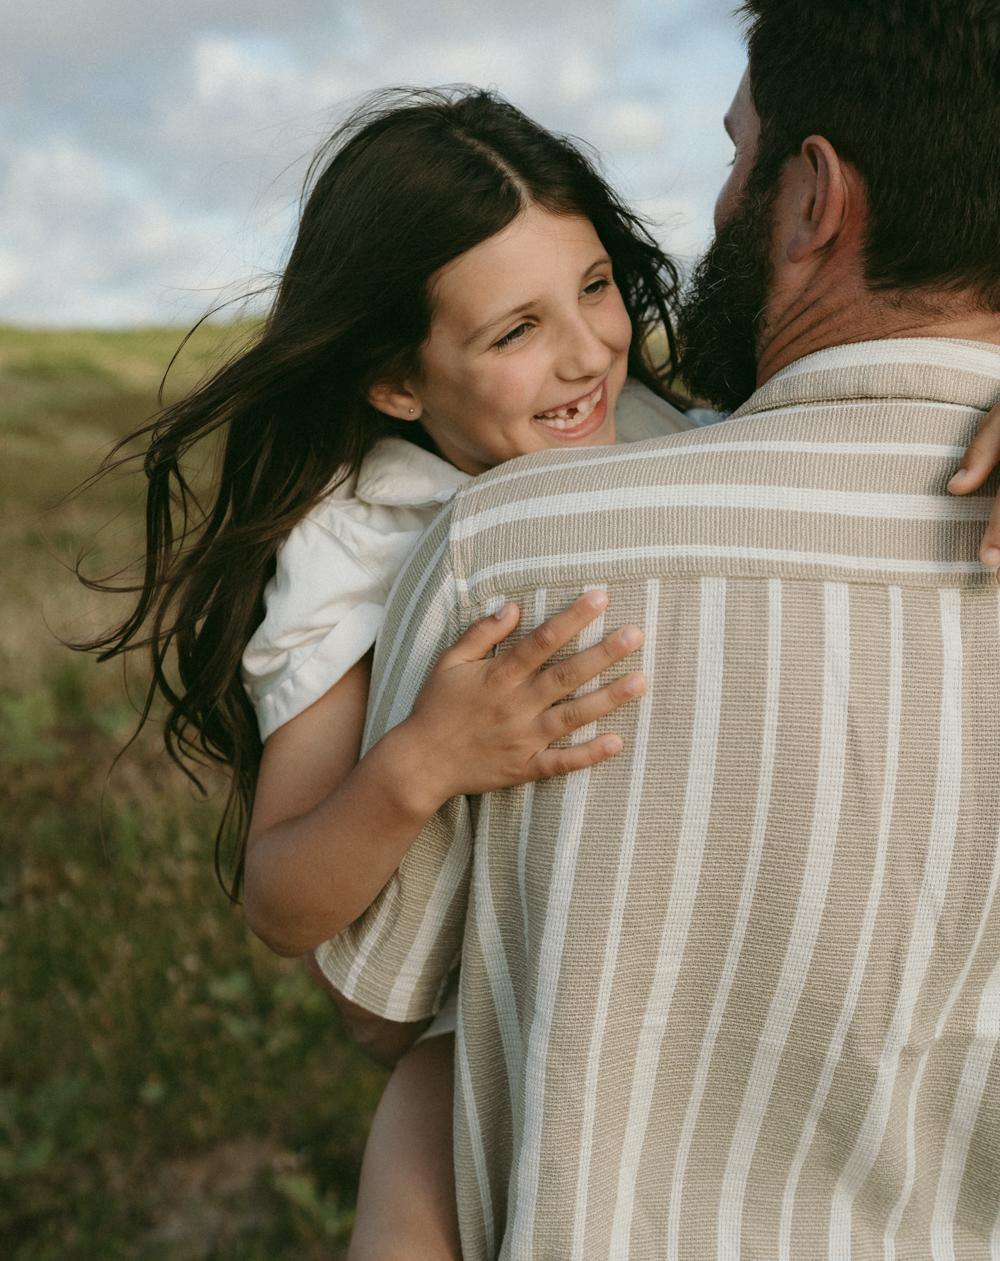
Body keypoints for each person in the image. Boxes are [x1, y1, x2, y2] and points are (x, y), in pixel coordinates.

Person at [315, 0, 1000, 1258]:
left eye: (741, 153)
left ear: (815, 197)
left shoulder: (511, 546)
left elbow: (380, 1004)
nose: (722, 196)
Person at [83, 87, 721, 1257]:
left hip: (691, 989)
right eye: (513, 332)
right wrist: (425, 759)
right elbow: (281, 898)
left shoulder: (661, 428)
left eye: (593, 286)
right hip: (471, 1034)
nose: (588, 349)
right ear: (396, 383)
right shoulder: (356, 542)